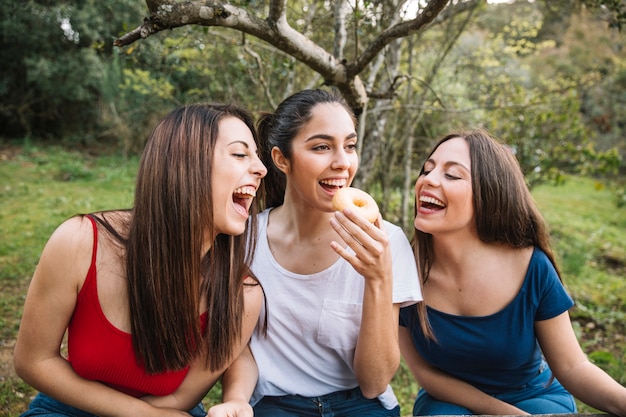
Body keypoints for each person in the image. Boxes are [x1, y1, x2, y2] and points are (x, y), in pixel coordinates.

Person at [13, 103, 268, 417]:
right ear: (183, 164)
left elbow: (180, 399)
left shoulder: (243, 294)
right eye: (241, 154)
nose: (261, 168)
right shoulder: (79, 241)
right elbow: (33, 360)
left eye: (257, 156)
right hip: (70, 408)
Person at [399, 128, 626, 416]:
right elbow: (425, 373)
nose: (428, 180)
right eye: (427, 170)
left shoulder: (532, 266)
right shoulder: (404, 268)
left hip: (534, 394)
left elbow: (572, 366)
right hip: (448, 401)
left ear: (488, 193)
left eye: (452, 175)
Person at [225, 88, 424, 417]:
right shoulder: (245, 240)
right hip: (275, 404)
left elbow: (374, 382)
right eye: (321, 147)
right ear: (281, 159)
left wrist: (377, 278)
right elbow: (236, 347)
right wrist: (236, 399)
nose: (343, 163)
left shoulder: (384, 240)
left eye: (349, 146)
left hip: (361, 403)